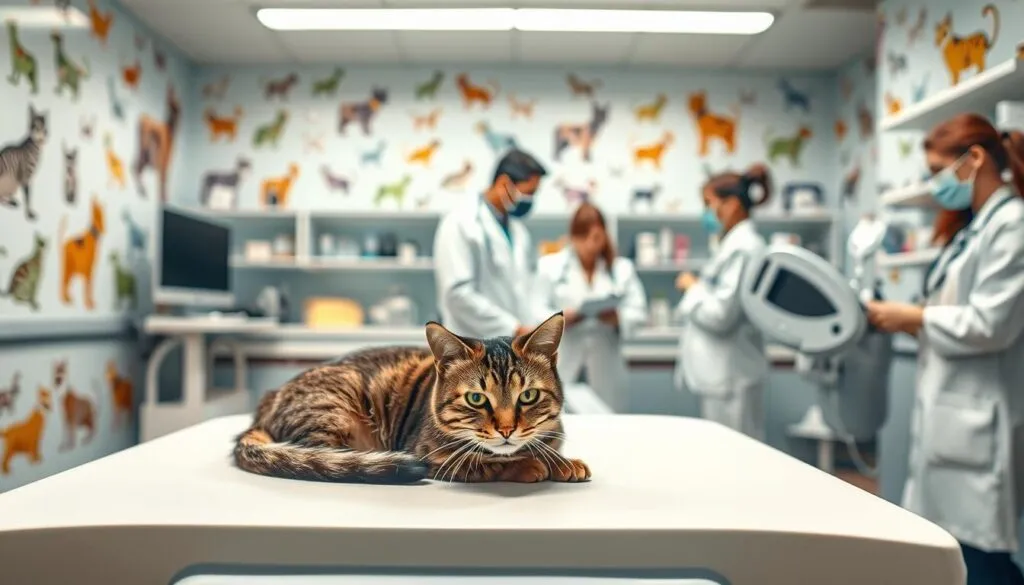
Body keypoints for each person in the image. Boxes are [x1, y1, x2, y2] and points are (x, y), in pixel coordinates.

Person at [866, 114, 1024, 584]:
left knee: (980, 562)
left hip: (979, 421)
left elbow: (990, 324)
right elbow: (954, 313)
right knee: (954, 555)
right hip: (951, 415)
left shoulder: (1012, 226)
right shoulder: (974, 230)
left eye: (938, 170)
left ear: (974, 159)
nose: (934, 185)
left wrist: (913, 317)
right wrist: (904, 319)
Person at [673, 163, 773, 440]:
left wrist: (693, 287)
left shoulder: (745, 248)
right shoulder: (731, 246)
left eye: (709, 204)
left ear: (732, 204)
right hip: (724, 376)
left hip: (732, 377)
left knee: (739, 465)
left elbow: (721, 317)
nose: (707, 213)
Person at [534, 203, 648, 412]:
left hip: (607, 364)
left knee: (607, 425)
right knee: (564, 425)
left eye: (595, 237)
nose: (589, 244)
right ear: (572, 236)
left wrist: (618, 318)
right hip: (565, 360)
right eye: (582, 237)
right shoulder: (549, 267)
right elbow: (534, 311)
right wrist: (560, 320)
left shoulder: (622, 269)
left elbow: (639, 311)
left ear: (604, 235)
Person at [433, 148, 548, 339]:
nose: (530, 200)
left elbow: (523, 289)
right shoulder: (461, 223)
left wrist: (532, 329)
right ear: (504, 183)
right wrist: (512, 328)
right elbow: (457, 294)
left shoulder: (519, 232)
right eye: (528, 193)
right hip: (471, 345)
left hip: (512, 343)